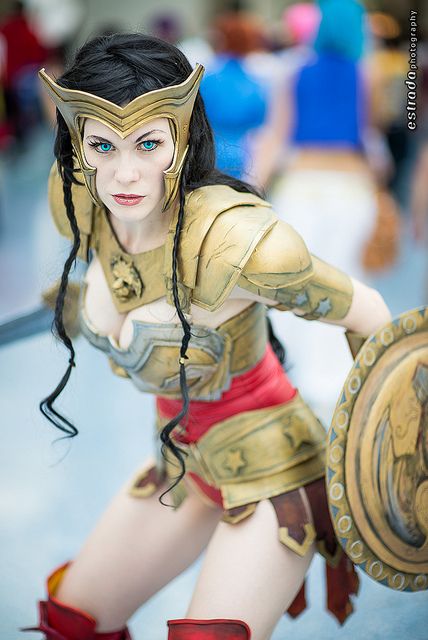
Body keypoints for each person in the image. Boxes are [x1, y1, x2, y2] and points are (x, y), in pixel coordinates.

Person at [25, 33, 391, 640]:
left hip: (274, 472)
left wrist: (386, 454)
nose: (124, 173)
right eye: (101, 145)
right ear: (77, 142)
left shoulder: (236, 243)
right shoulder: (84, 205)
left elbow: (370, 311)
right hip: (178, 458)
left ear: (181, 134)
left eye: (148, 143)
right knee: (73, 621)